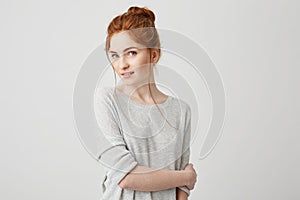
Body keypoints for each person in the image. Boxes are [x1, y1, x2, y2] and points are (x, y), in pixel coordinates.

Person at [94, 6, 197, 200]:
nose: (121, 64)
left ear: (153, 55)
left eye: (131, 53)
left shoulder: (181, 111)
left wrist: (183, 179)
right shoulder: (108, 100)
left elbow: (183, 189)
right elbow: (126, 176)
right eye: (115, 55)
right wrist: (185, 176)